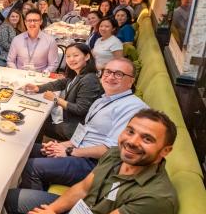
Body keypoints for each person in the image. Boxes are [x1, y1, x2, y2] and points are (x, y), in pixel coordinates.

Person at [0, 108, 178, 214]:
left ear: (166, 150)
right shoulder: (116, 154)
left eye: (147, 139)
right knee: (12, 197)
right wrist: (50, 211)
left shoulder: (156, 198)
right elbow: (83, 188)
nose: (132, 141)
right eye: (130, 131)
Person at [20, 57, 147, 190]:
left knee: (31, 166)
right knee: (26, 149)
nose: (110, 77)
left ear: (131, 81)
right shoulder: (103, 99)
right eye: (107, 72)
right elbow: (85, 131)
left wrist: (70, 151)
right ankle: (42, 184)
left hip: (94, 164)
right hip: (79, 150)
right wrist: (61, 145)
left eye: (119, 74)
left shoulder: (133, 108)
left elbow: (112, 150)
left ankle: (33, 206)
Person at [24, 43, 103, 140]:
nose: (71, 59)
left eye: (76, 55)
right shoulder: (78, 73)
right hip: (68, 118)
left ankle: (36, 150)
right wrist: (38, 88)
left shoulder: (89, 79)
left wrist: (56, 99)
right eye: (68, 56)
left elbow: (81, 109)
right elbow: (61, 83)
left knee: (36, 123)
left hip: (74, 128)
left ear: (87, 57)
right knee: (38, 116)